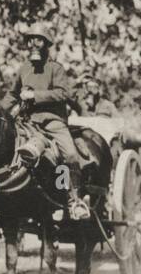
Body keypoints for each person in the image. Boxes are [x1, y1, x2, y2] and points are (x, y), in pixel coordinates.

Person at [13, 21, 89, 220]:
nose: (33, 45)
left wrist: (35, 96)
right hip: (27, 122)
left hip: (53, 122)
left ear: (46, 43)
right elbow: (12, 95)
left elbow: (63, 93)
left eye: (38, 40)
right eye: (30, 41)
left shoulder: (56, 68)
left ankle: (73, 200)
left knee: (70, 157)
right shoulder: (23, 69)